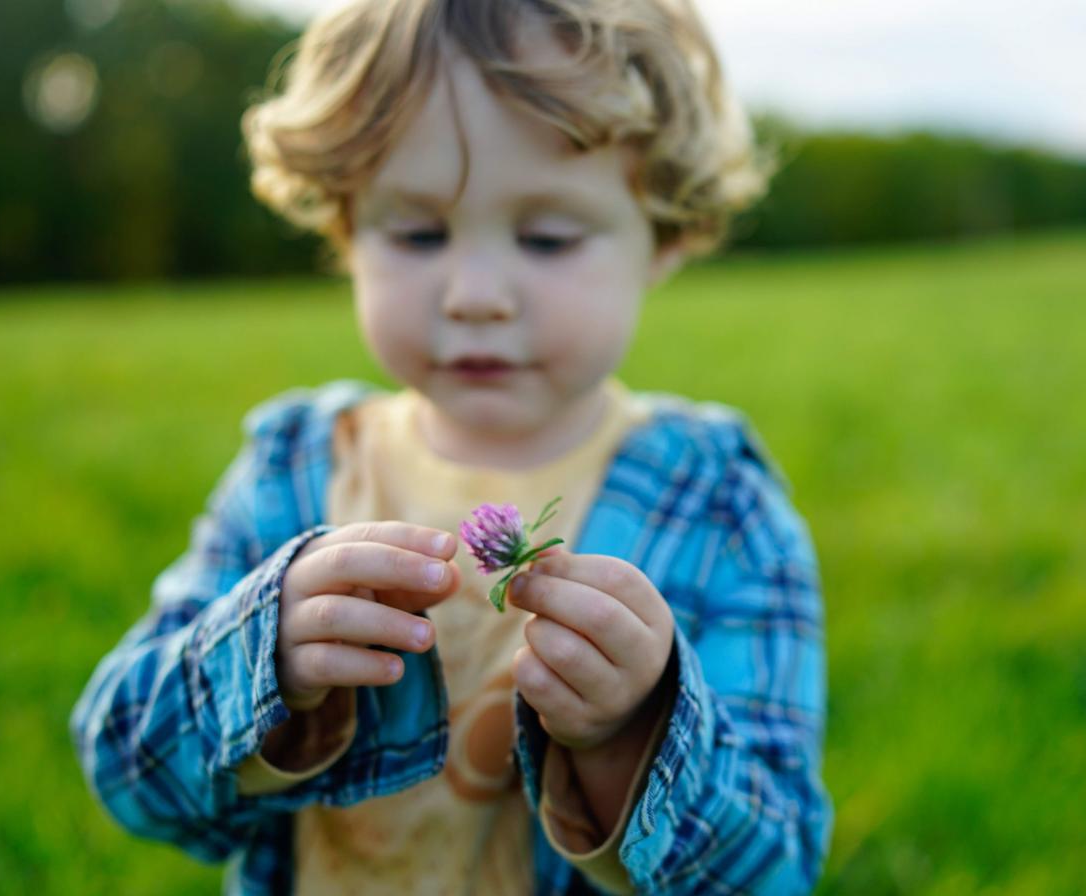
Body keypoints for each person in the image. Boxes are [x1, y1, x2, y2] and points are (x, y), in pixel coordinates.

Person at [70, 1, 831, 893]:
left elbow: (775, 869)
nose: (475, 294)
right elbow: (127, 772)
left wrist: (635, 733)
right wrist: (261, 661)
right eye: (418, 233)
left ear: (664, 237)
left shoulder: (718, 509)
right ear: (347, 231)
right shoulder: (296, 471)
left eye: (547, 238)